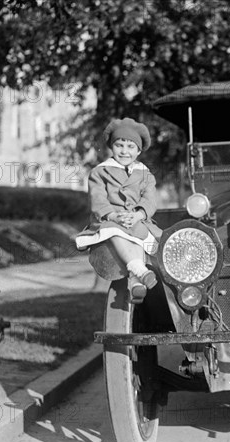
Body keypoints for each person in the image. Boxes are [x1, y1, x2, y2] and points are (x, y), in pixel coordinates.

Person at [76, 118, 162, 303]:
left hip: (136, 219)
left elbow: (150, 199)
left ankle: (134, 280)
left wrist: (138, 214)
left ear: (138, 150)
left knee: (138, 237)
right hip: (110, 218)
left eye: (131, 146)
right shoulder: (100, 172)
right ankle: (140, 271)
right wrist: (113, 215)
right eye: (119, 145)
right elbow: (97, 198)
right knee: (113, 231)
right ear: (111, 147)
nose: (124, 151)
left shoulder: (146, 175)